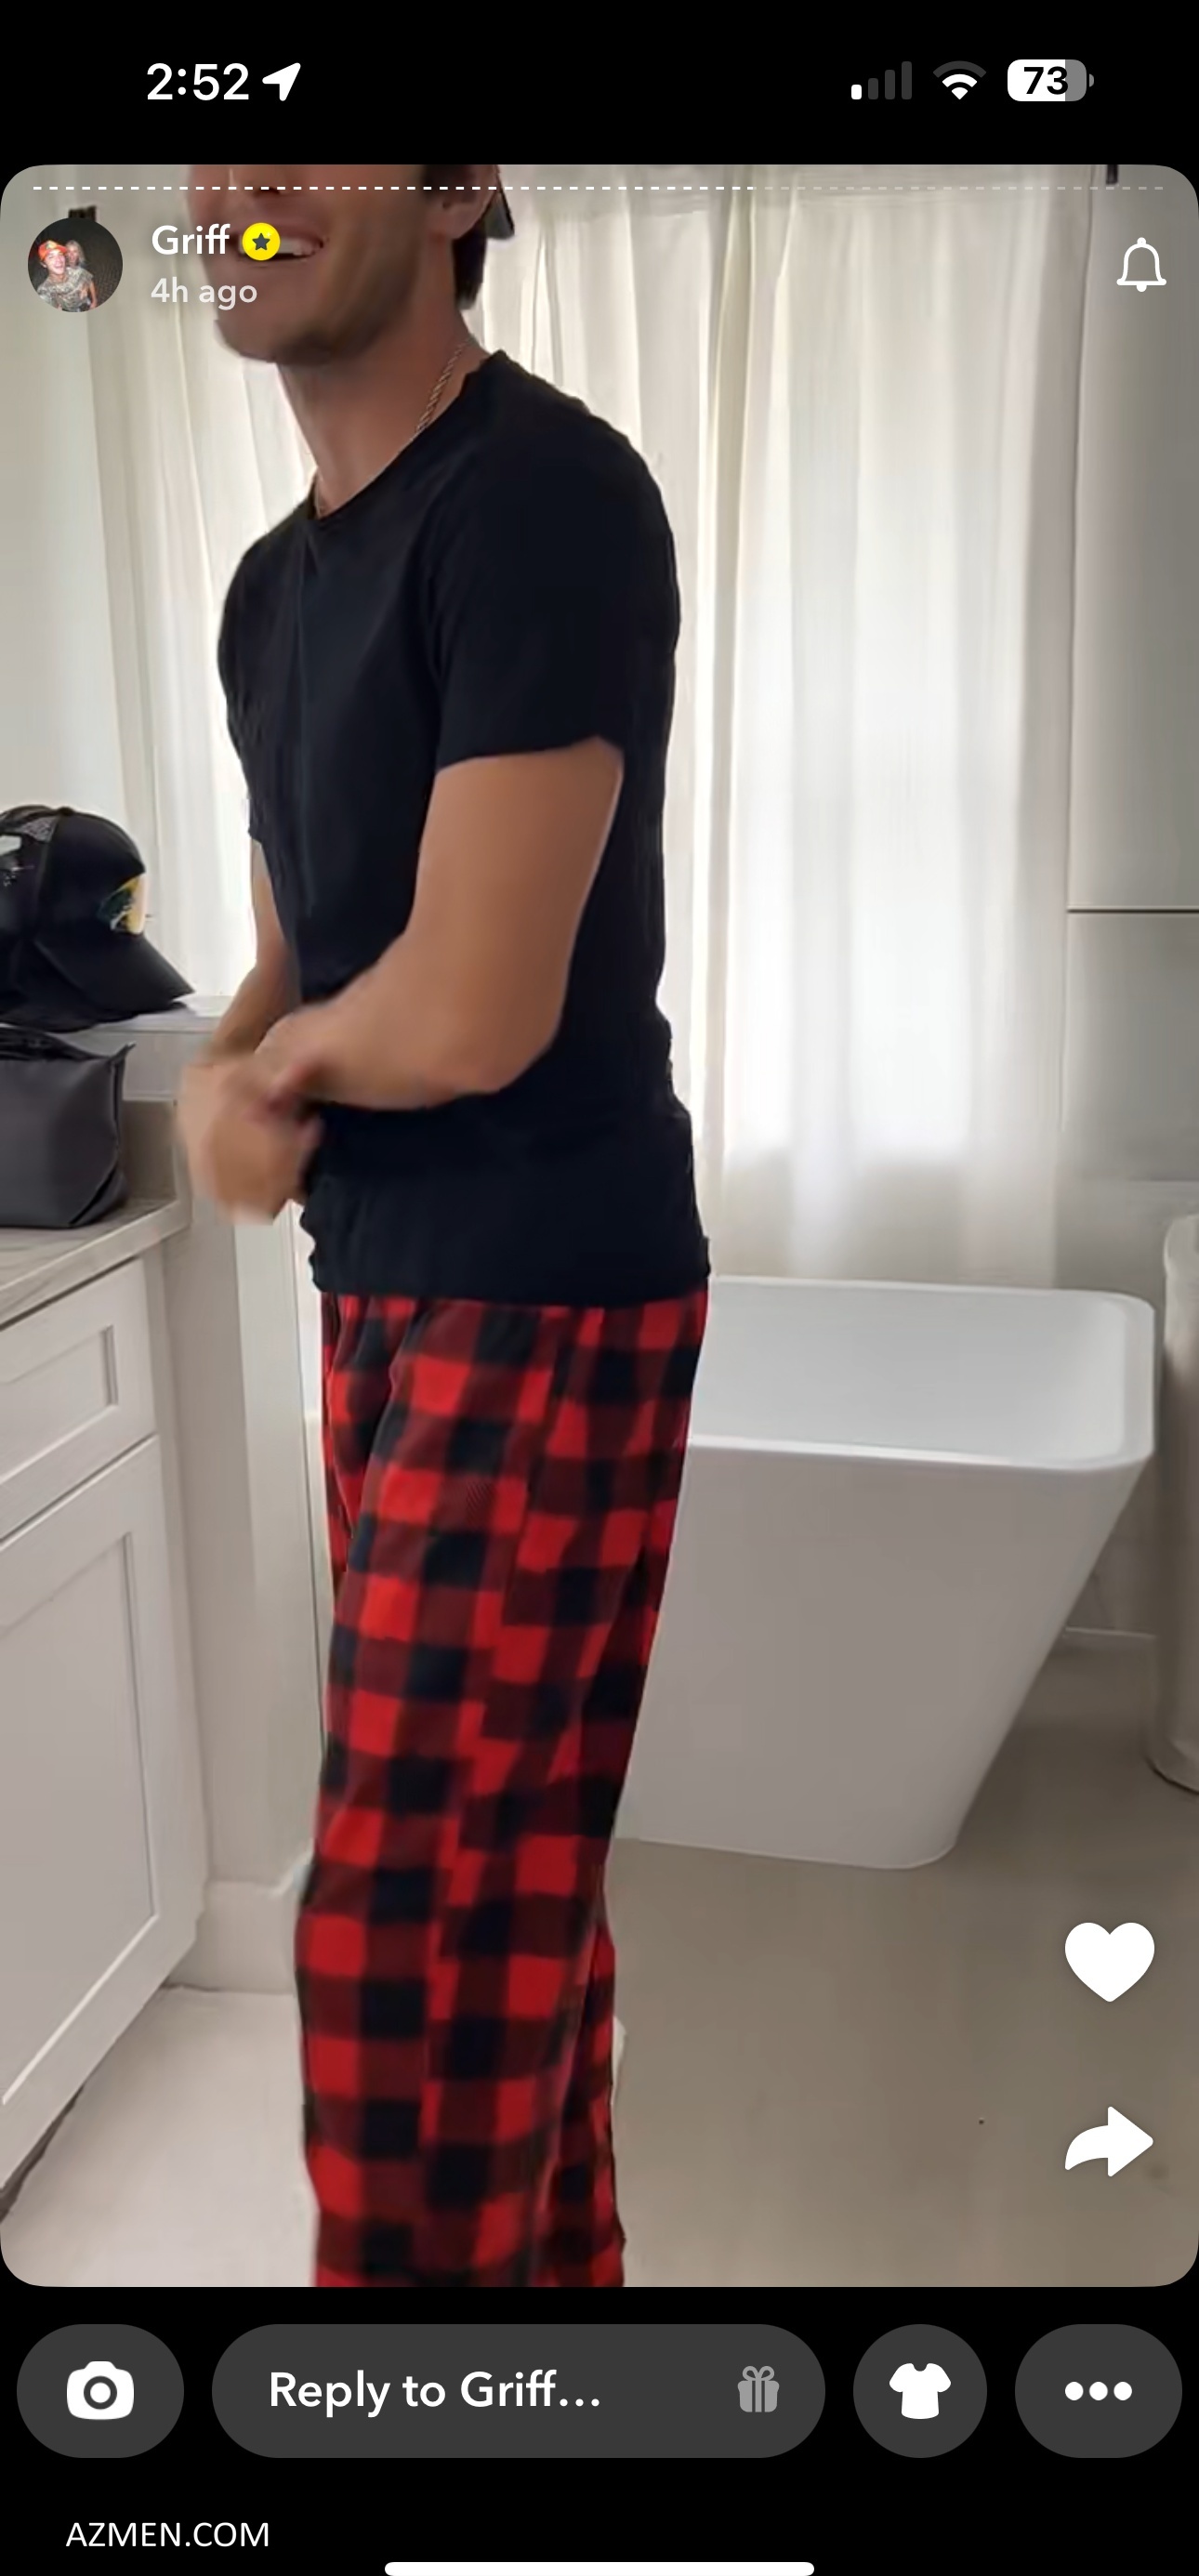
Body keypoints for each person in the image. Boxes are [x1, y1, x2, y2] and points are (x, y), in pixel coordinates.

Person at [177, 161, 709, 2290]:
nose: (239, 179)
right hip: (386, 1292)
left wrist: (271, 1084)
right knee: (501, 1918)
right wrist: (238, 1059)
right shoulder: (263, 594)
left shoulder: (542, 499)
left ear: (463, 182)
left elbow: (472, 1007)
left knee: (408, 1948)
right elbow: (303, 956)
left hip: (546, 1286)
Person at [35, 236, 95, 310]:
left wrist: (85, 288)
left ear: (79, 253)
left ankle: (84, 301)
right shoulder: (44, 291)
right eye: (51, 257)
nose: (58, 260)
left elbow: (87, 279)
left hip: (80, 296)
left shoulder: (80, 267)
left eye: (60, 254)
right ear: (43, 264)